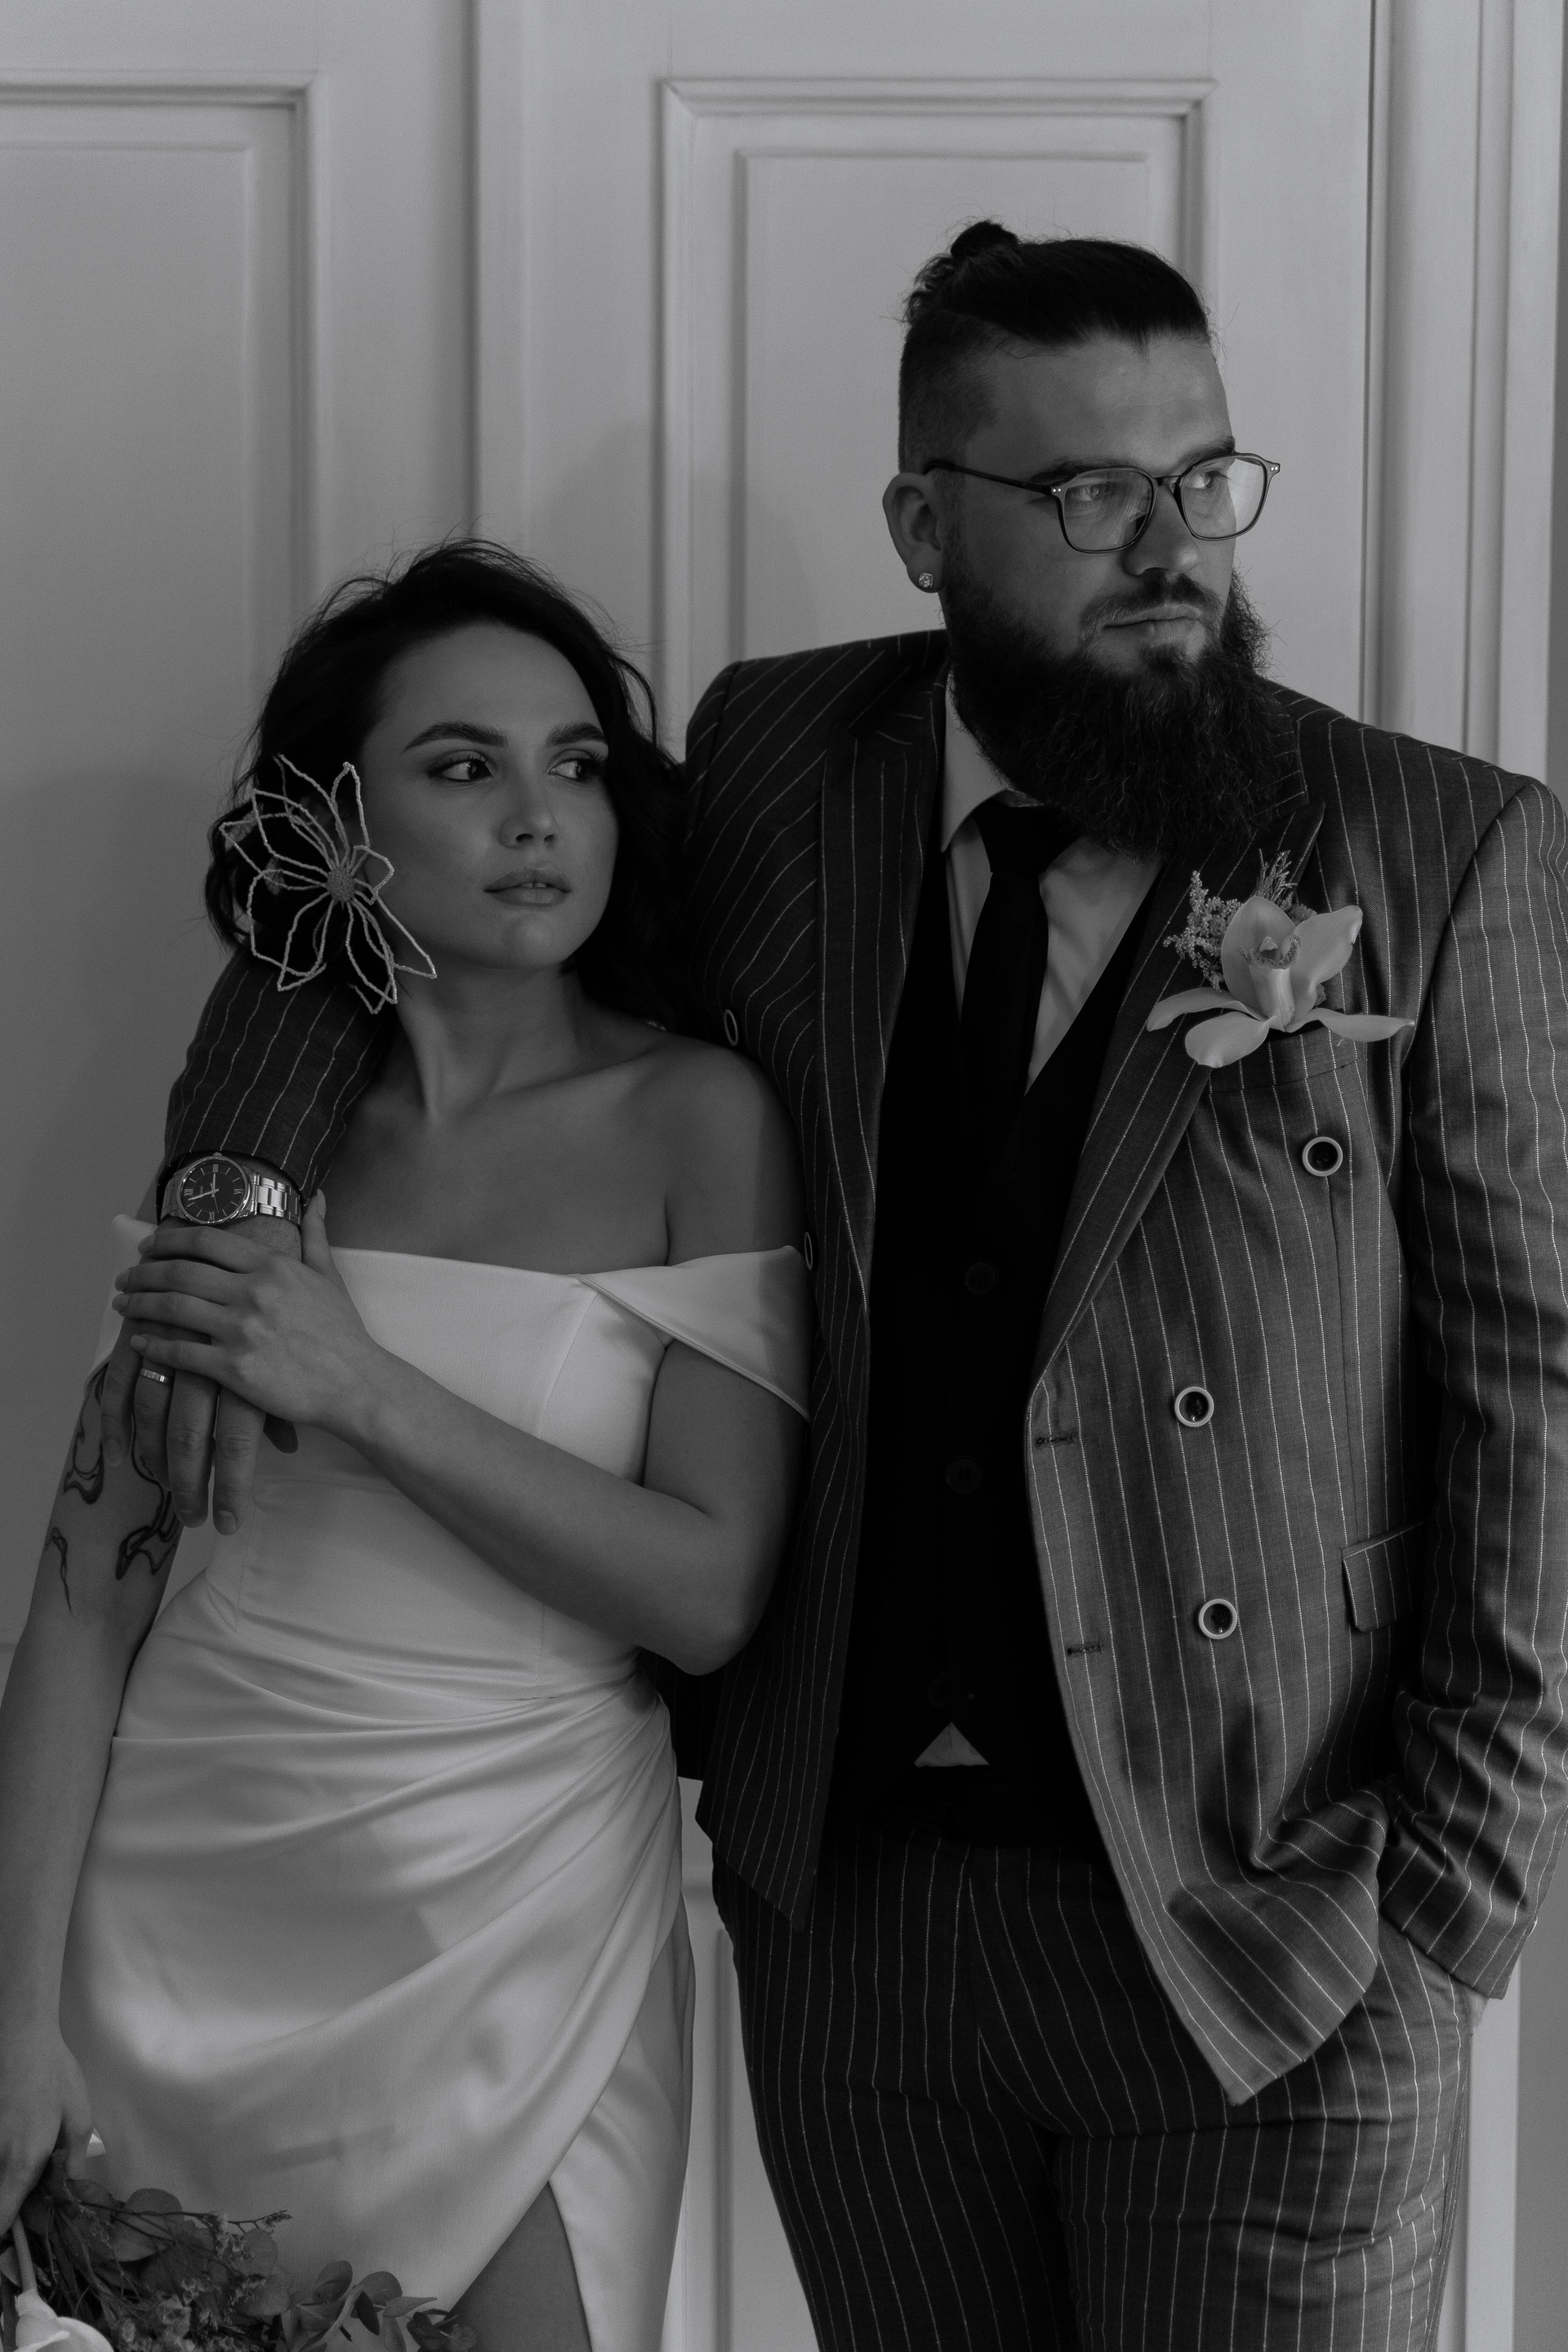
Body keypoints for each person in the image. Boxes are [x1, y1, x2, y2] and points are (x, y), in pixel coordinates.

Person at [75, 223, 1568, 2344]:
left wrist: (1449, 1912)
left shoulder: (1437, 847)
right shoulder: (784, 764)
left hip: (1268, 1936)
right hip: (858, 1935)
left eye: (1202, 478)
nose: (1172, 549)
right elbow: (408, 911)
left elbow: (1538, 1405)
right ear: (921, 528)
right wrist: (234, 1188)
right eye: (1089, 493)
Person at [0, 548, 810, 2352]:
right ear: (335, 822)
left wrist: (358, 1382)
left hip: (525, 1909)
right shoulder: (252, 1153)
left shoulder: (697, 1116)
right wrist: (8, 2016)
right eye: (464, 766)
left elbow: (710, 1591)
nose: (542, 817)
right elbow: (81, 1607)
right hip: (184, 1894)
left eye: (578, 764)